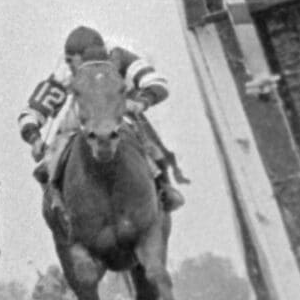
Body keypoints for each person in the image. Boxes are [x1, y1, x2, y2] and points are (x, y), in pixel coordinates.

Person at [19, 24, 185, 221]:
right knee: (51, 156)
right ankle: (54, 195)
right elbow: (34, 109)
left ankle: (163, 184)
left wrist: (142, 101)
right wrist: (34, 136)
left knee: (146, 137)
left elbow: (156, 82)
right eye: (73, 64)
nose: (74, 67)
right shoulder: (65, 69)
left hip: (120, 108)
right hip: (84, 113)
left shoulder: (120, 58)